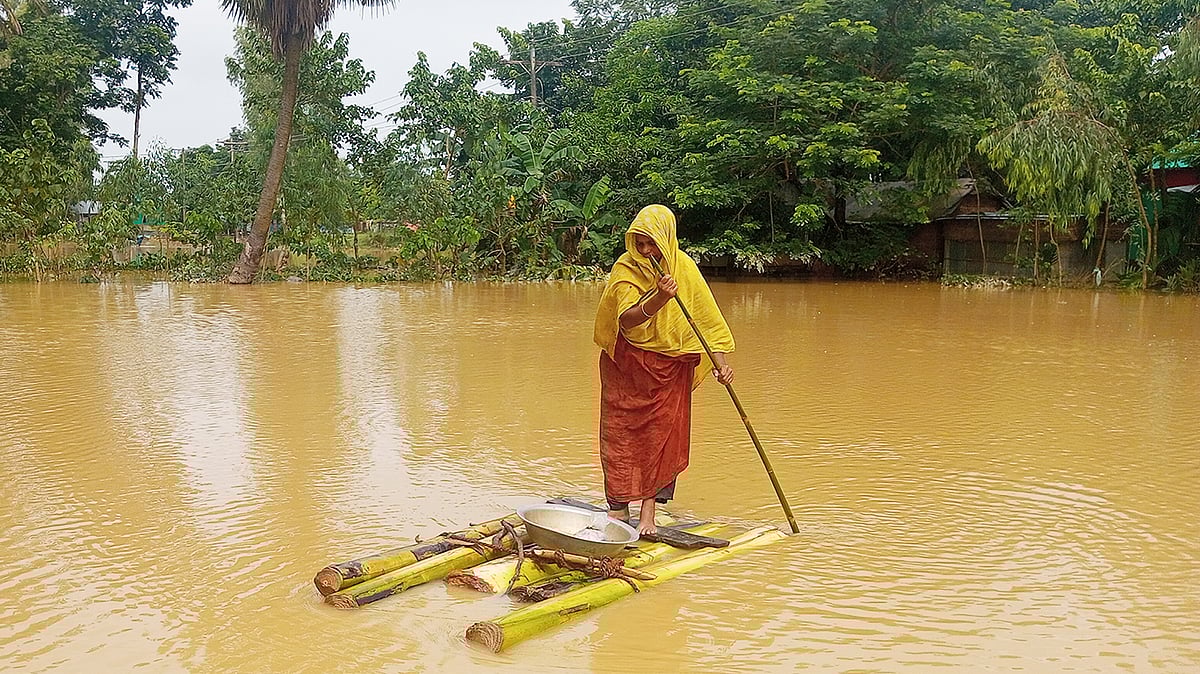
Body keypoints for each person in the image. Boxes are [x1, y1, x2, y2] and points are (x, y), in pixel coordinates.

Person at [593, 204, 735, 536]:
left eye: (652, 244)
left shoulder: (683, 268)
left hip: (670, 369)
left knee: (662, 437)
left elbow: (705, 321)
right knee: (621, 434)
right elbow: (625, 320)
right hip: (627, 367)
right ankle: (618, 508)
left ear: (667, 240)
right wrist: (659, 298)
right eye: (640, 244)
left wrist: (722, 366)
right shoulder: (626, 268)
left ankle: (648, 514)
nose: (645, 251)